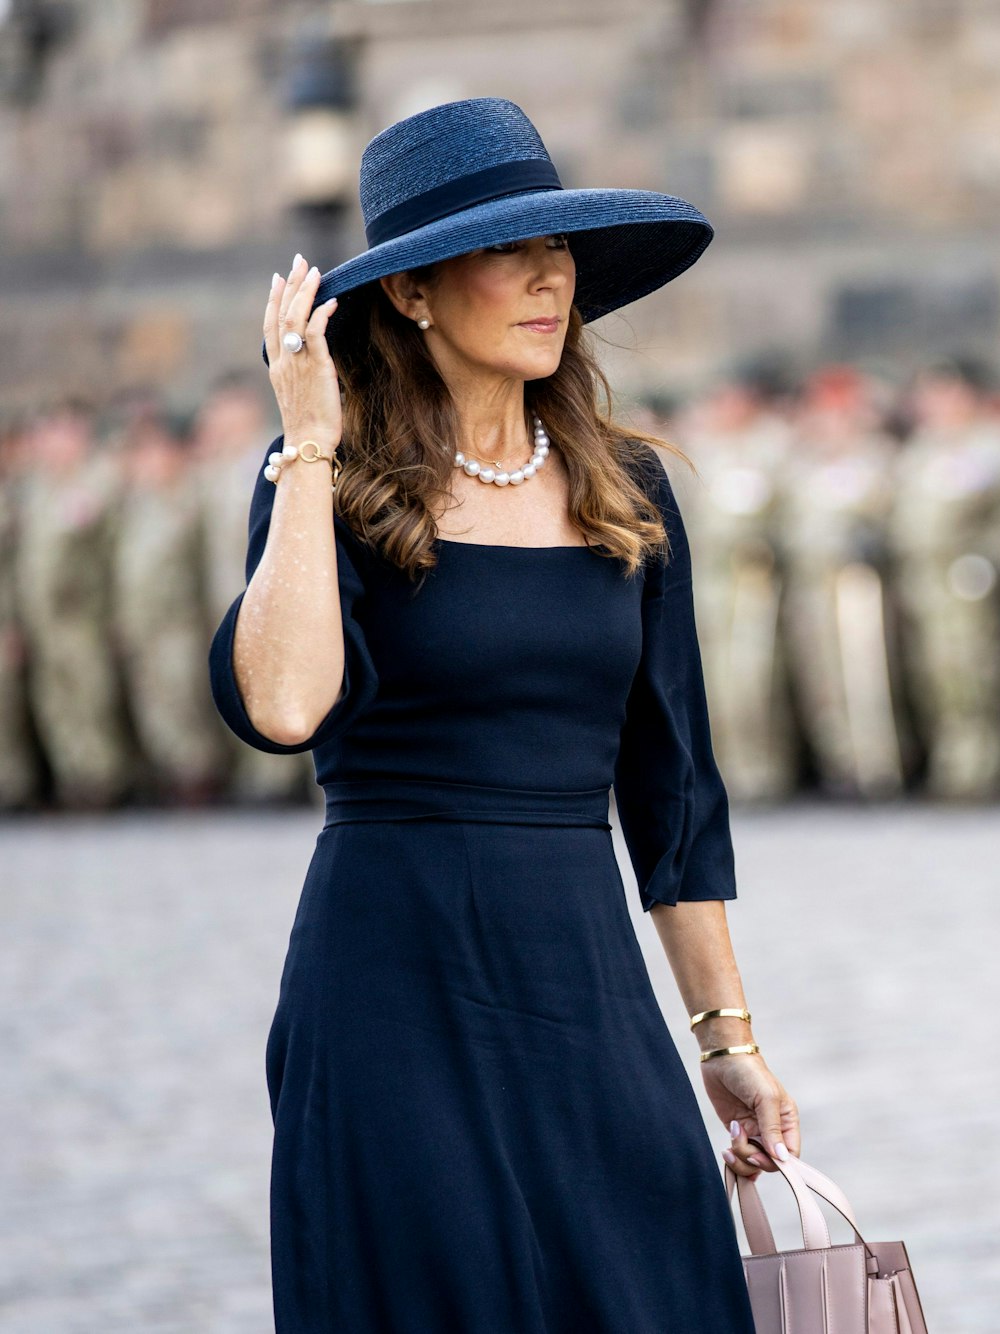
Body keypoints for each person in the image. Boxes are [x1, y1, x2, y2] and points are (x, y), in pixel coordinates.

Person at [208, 97, 799, 1332]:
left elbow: (673, 786)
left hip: (582, 981)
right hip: (388, 988)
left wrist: (723, 1036)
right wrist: (307, 447)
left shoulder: (627, 487)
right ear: (413, 291)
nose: (549, 277)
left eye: (558, 246)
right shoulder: (329, 484)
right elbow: (285, 703)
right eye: (506, 250)